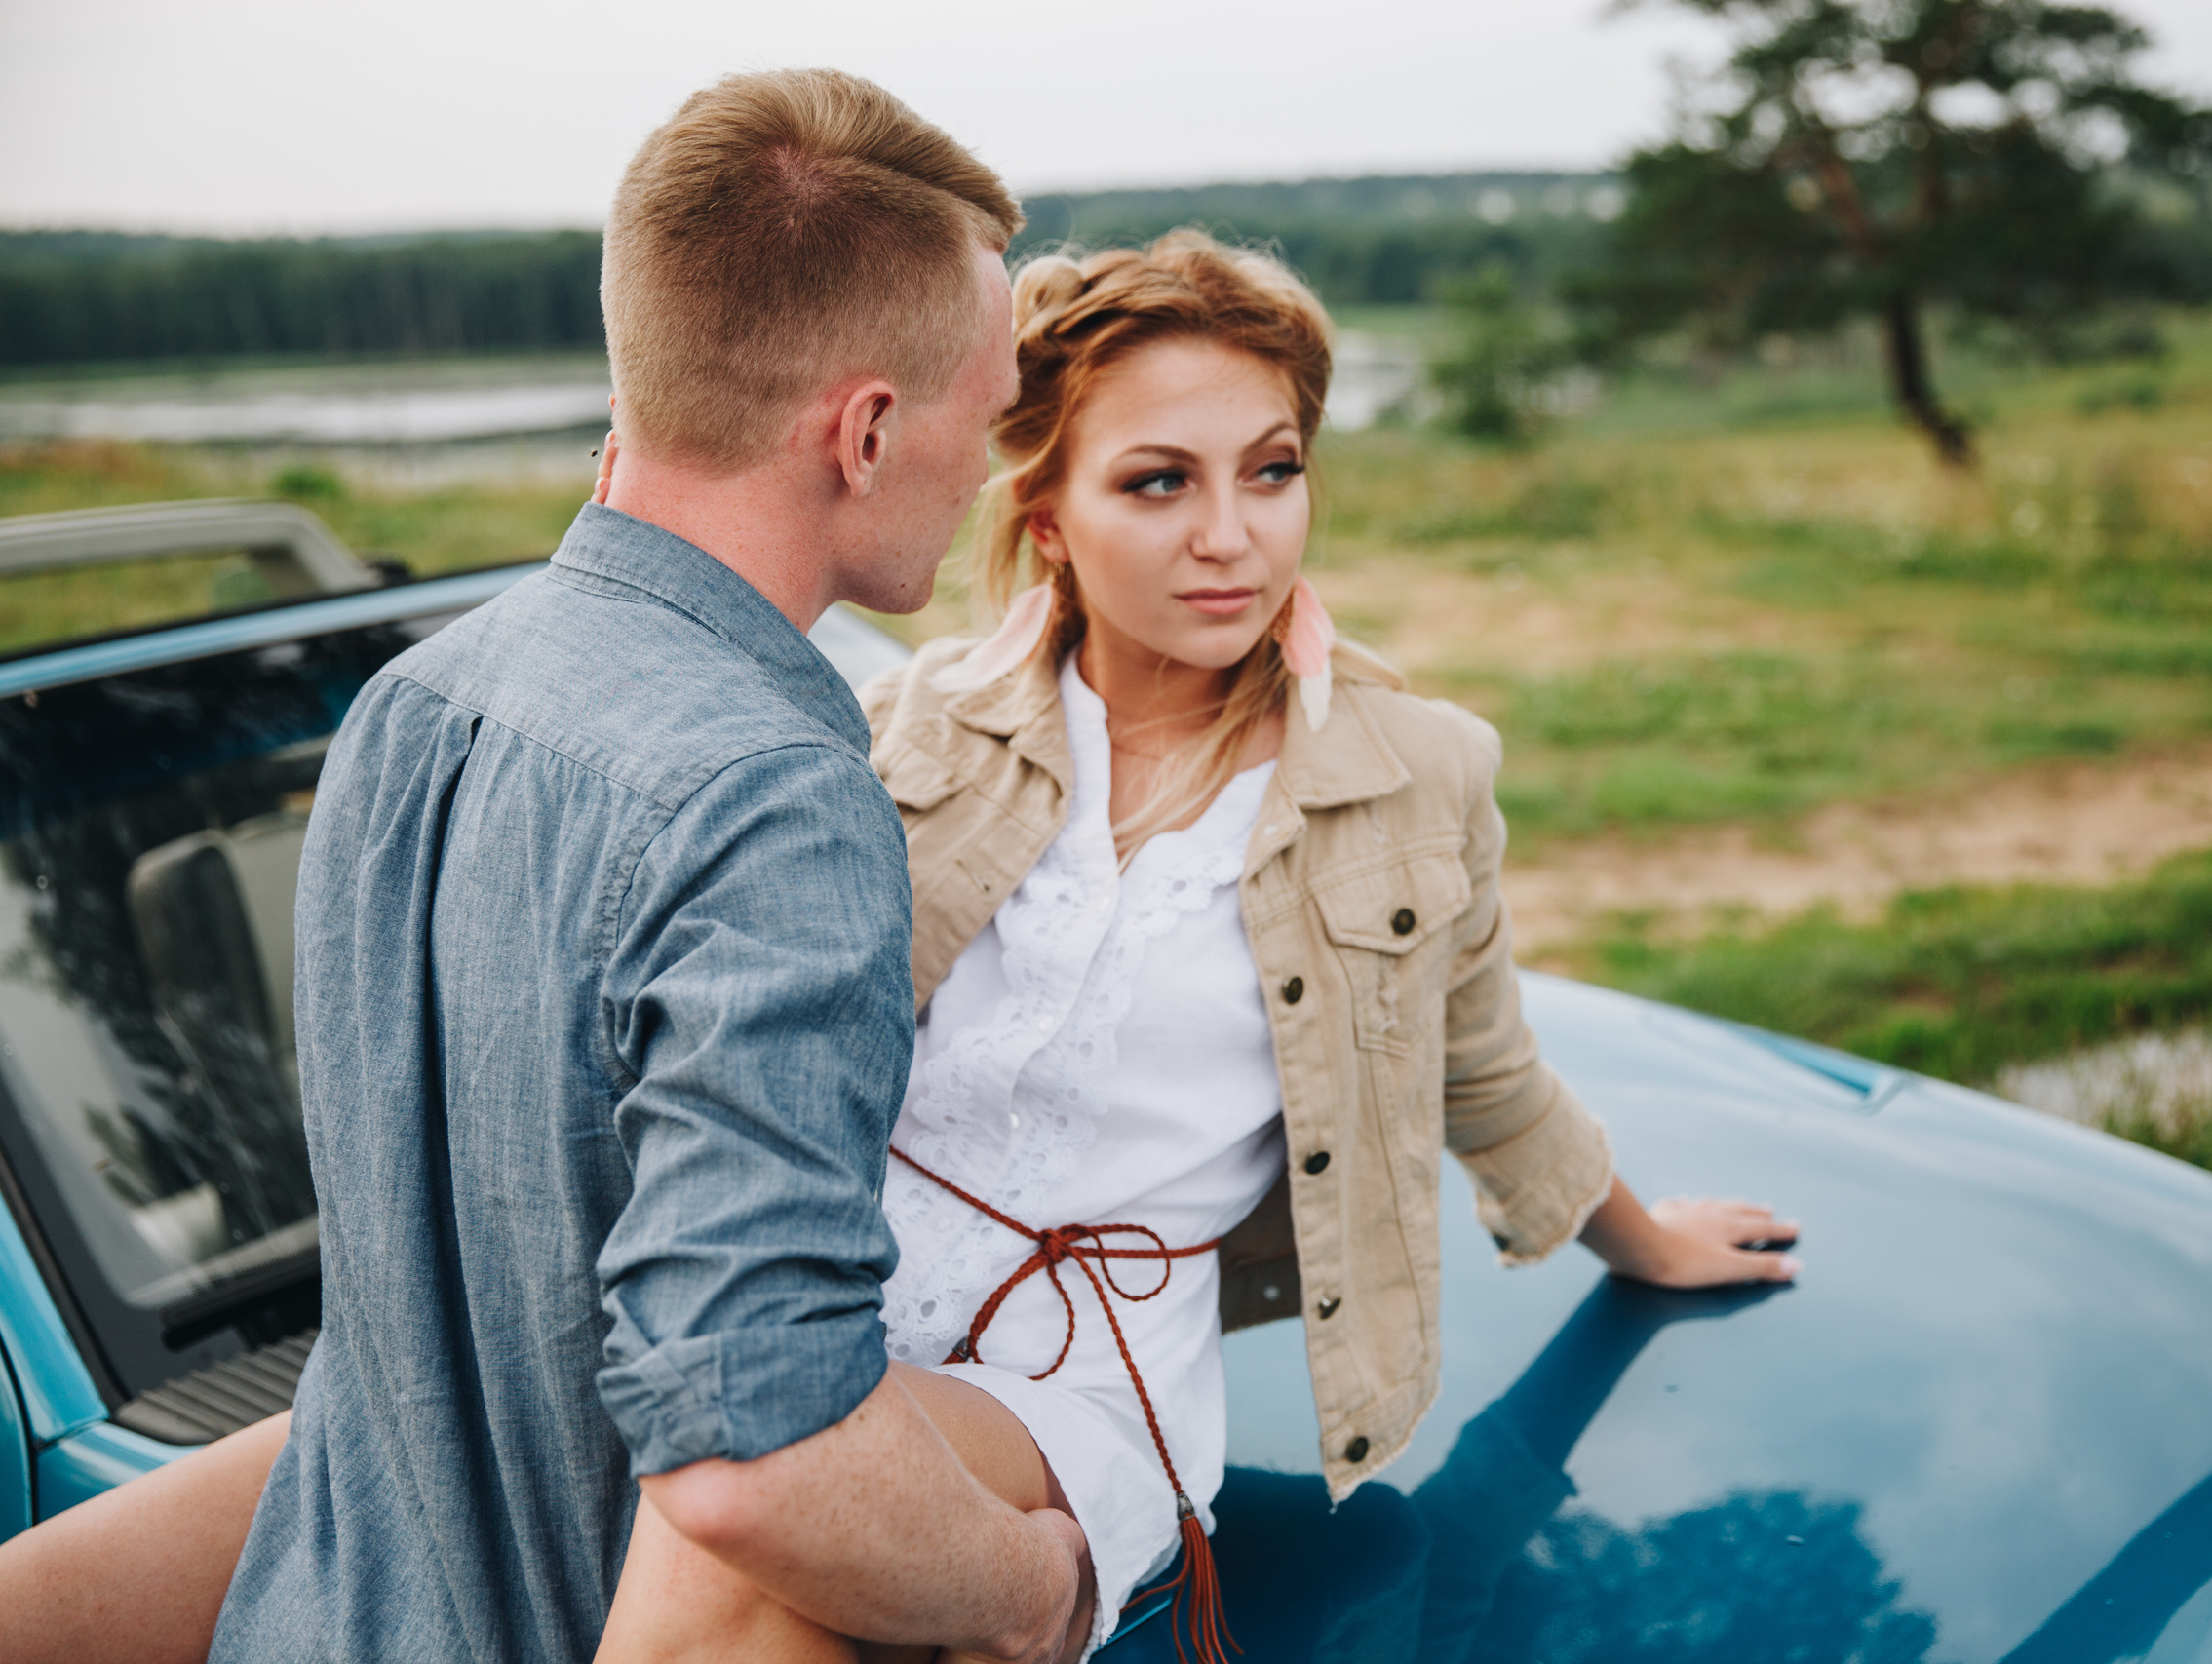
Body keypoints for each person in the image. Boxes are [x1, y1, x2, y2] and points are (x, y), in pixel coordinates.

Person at [0, 67, 1089, 1664]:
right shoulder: (776, 796)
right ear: (862, 432)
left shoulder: (409, 702)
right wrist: (1034, 1591)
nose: (989, 472)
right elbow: (751, 1447)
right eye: (985, 421)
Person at [593, 233, 1800, 1664]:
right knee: (332, 1467)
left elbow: (1481, 1067)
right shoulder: (908, 732)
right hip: (819, 1313)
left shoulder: (1417, 778)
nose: (1233, 535)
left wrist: (1645, 1239)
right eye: (1159, 481)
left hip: (1082, 1388)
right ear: (1045, 515)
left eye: (1272, 471)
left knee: (748, 1518)